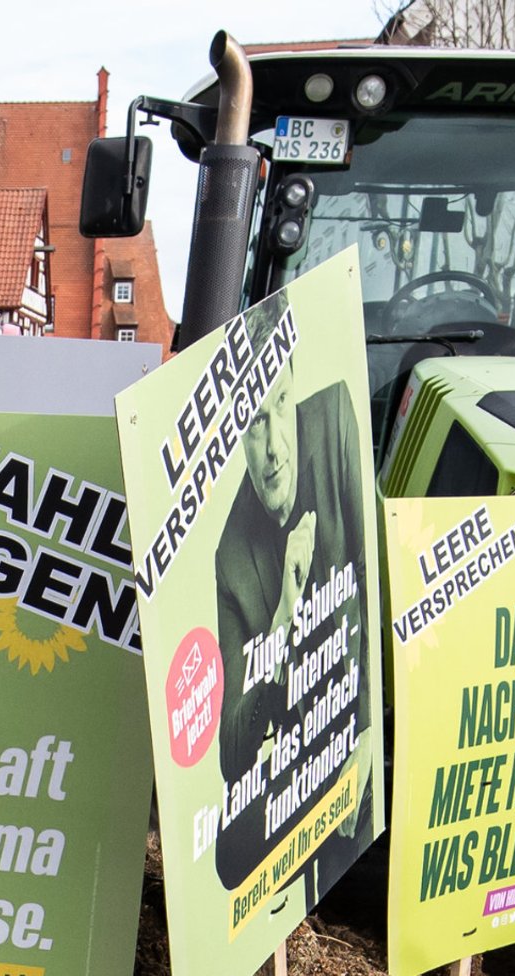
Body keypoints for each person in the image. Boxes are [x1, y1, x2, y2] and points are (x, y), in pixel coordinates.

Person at [212, 303, 376, 912]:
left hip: (354, 735)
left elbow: (374, 582)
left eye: (281, 404)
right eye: (254, 423)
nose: (274, 445)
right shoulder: (229, 556)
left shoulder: (334, 420)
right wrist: (283, 613)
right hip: (293, 773)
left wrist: (365, 733)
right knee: (231, 853)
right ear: (235, 434)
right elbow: (231, 752)